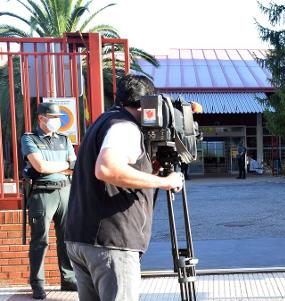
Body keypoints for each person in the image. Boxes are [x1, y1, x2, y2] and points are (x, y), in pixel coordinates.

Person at [64, 74, 184, 300]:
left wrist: (150, 173)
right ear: (148, 103)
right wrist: (165, 182)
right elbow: (106, 169)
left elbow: (109, 175)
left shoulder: (104, 120)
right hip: (111, 243)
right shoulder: (125, 127)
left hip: (82, 237)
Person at [21, 103, 77, 299]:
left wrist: (57, 166)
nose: (56, 120)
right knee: (40, 240)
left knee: (66, 239)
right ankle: (37, 284)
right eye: (52, 117)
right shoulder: (29, 138)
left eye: (58, 117)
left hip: (65, 192)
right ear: (41, 118)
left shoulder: (63, 139)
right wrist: (63, 165)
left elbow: (74, 166)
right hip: (42, 194)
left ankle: (69, 279)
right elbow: (40, 166)